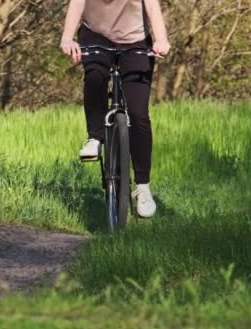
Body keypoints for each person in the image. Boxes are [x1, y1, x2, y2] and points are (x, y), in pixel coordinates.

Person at [60, 0, 170, 218]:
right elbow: (76, 4)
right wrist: (67, 37)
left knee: (138, 113)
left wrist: (161, 39)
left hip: (135, 41)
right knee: (95, 75)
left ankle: (143, 187)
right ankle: (95, 137)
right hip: (96, 35)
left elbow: (152, 8)